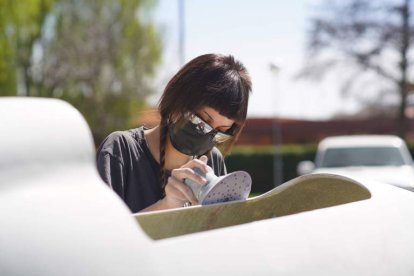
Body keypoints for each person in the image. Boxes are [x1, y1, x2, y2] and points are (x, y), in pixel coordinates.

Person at [96, 53, 252, 213]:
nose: (208, 135)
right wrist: (167, 205)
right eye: (202, 121)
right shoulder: (121, 151)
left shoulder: (212, 163)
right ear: (178, 102)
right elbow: (104, 232)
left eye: (221, 132)